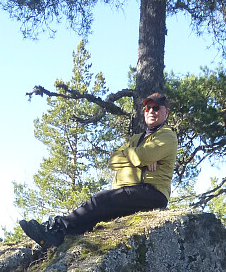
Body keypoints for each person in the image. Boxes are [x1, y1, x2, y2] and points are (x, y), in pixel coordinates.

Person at [19, 92, 178, 250]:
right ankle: (56, 240)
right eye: (148, 108)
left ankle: (57, 227)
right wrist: (137, 157)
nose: (151, 112)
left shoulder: (167, 136)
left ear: (166, 112)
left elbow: (142, 156)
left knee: (100, 200)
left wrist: (135, 155)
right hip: (131, 191)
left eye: (156, 108)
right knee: (95, 218)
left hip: (152, 193)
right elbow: (113, 160)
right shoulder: (136, 138)